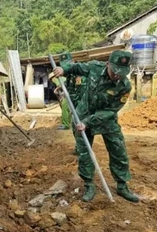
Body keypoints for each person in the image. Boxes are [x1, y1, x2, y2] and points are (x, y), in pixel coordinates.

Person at [53, 50, 139, 203]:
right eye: (115, 71)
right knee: (84, 153)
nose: (117, 75)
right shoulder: (94, 67)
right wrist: (64, 69)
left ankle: (122, 185)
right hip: (83, 115)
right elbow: (77, 68)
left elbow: (111, 111)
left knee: (119, 151)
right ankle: (89, 185)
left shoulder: (125, 86)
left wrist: (89, 123)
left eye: (122, 72)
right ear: (108, 64)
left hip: (106, 119)